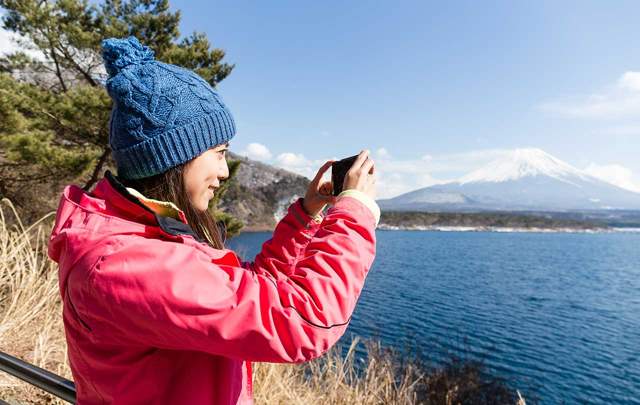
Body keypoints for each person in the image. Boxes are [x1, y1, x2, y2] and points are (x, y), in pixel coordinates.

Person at [47, 36, 380, 405]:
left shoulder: (146, 235)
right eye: (219, 153)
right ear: (174, 157)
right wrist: (355, 211)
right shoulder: (127, 264)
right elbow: (302, 321)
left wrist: (305, 216)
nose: (224, 171)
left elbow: (252, 291)